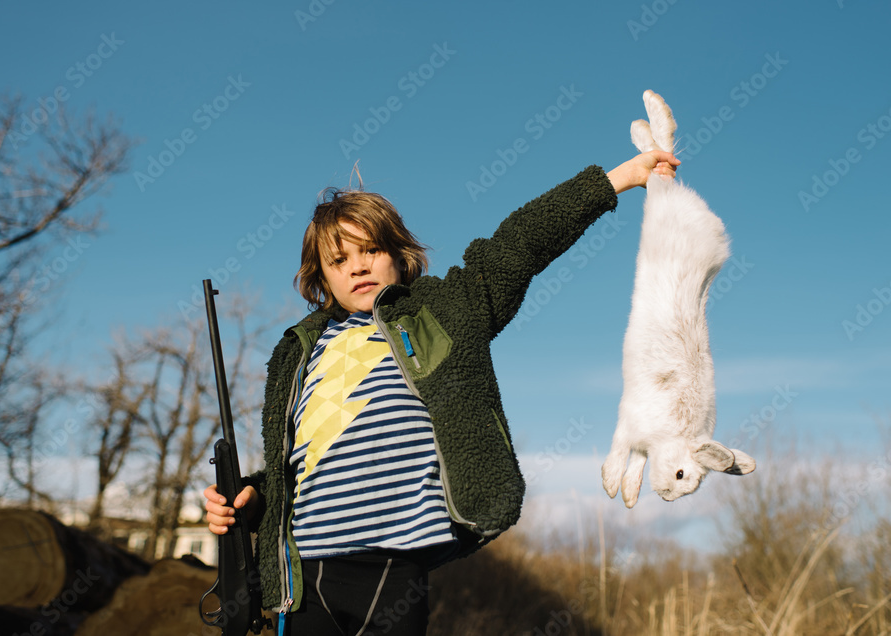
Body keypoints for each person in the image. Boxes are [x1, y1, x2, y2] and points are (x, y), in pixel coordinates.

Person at [203, 151, 680, 635]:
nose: (357, 267)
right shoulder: (298, 352)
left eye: (371, 250)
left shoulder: (445, 311)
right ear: (321, 276)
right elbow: (295, 466)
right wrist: (252, 498)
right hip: (305, 575)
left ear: (399, 254)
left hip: (398, 564)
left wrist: (617, 179)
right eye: (339, 260)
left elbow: (519, 243)